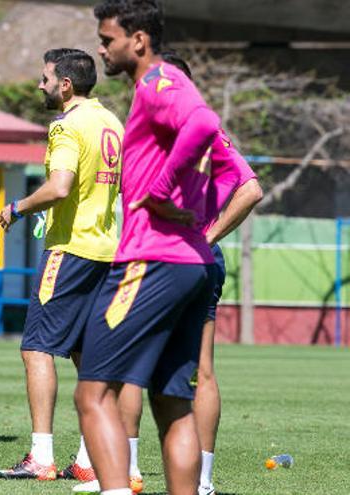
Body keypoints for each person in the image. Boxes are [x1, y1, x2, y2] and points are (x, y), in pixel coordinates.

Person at [74, 1, 223, 494]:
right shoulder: (162, 87)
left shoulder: (159, 82)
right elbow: (231, 171)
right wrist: (195, 206)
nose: (102, 47)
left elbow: (204, 124)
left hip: (150, 259)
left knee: (93, 393)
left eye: (108, 38)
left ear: (138, 40)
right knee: (171, 401)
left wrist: (160, 191)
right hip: (191, 263)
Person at [0, 48, 124, 482]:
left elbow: (60, 186)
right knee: (88, 353)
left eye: (45, 78)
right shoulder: (112, 122)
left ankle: (41, 456)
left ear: (65, 84)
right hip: (108, 249)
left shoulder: (66, 124)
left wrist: (18, 207)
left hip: (69, 248)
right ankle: (88, 459)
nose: (40, 85)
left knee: (37, 348)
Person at [162, 50, 264, 495]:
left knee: (137, 369)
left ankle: (129, 475)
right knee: (196, 371)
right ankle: (197, 483)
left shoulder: (193, 130)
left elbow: (251, 188)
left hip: (175, 261)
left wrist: (208, 234)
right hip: (182, 260)